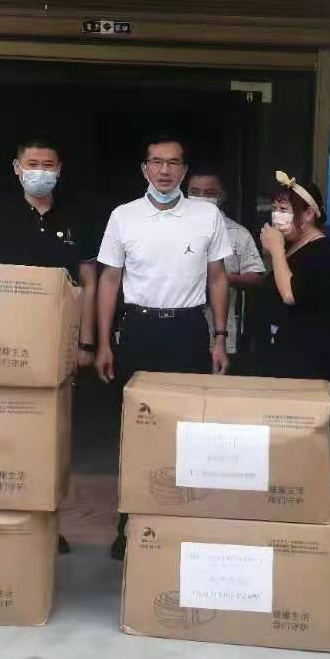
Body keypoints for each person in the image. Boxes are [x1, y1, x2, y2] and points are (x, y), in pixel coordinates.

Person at [96, 134, 232, 560]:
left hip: (188, 330)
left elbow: (218, 278)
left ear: (184, 170)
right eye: (157, 162)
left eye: (173, 163)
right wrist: (103, 343)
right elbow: (109, 280)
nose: (165, 170)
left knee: (187, 430)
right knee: (136, 431)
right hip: (138, 330)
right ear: (145, 168)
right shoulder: (124, 216)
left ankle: (181, 520)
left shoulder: (206, 216)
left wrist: (219, 337)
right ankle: (128, 523)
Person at [0, 136, 99, 555]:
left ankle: (46, 523)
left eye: (48, 165)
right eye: (32, 164)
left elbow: (89, 284)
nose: (40, 171)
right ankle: (2, 521)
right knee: (4, 436)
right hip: (6, 344)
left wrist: (86, 342)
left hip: (58, 346)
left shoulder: (76, 218)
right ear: (17, 168)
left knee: (51, 439)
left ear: (59, 170)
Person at [256, 171, 330, 382]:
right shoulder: (291, 247)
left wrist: (276, 249)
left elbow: (290, 295)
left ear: (308, 214)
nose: (276, 216)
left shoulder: (323, 251)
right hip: (280, 358)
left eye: (284, 209)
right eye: (274, 209)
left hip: (307, 363)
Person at [186, 168, 266, 361]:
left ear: (222, 196)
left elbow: (257, 276)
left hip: (220, 333)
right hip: (179, 332)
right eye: (194, 192)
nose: (201, 198)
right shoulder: (171, 229)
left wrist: (225, 279)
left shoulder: (238, 233)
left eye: (209, 193)